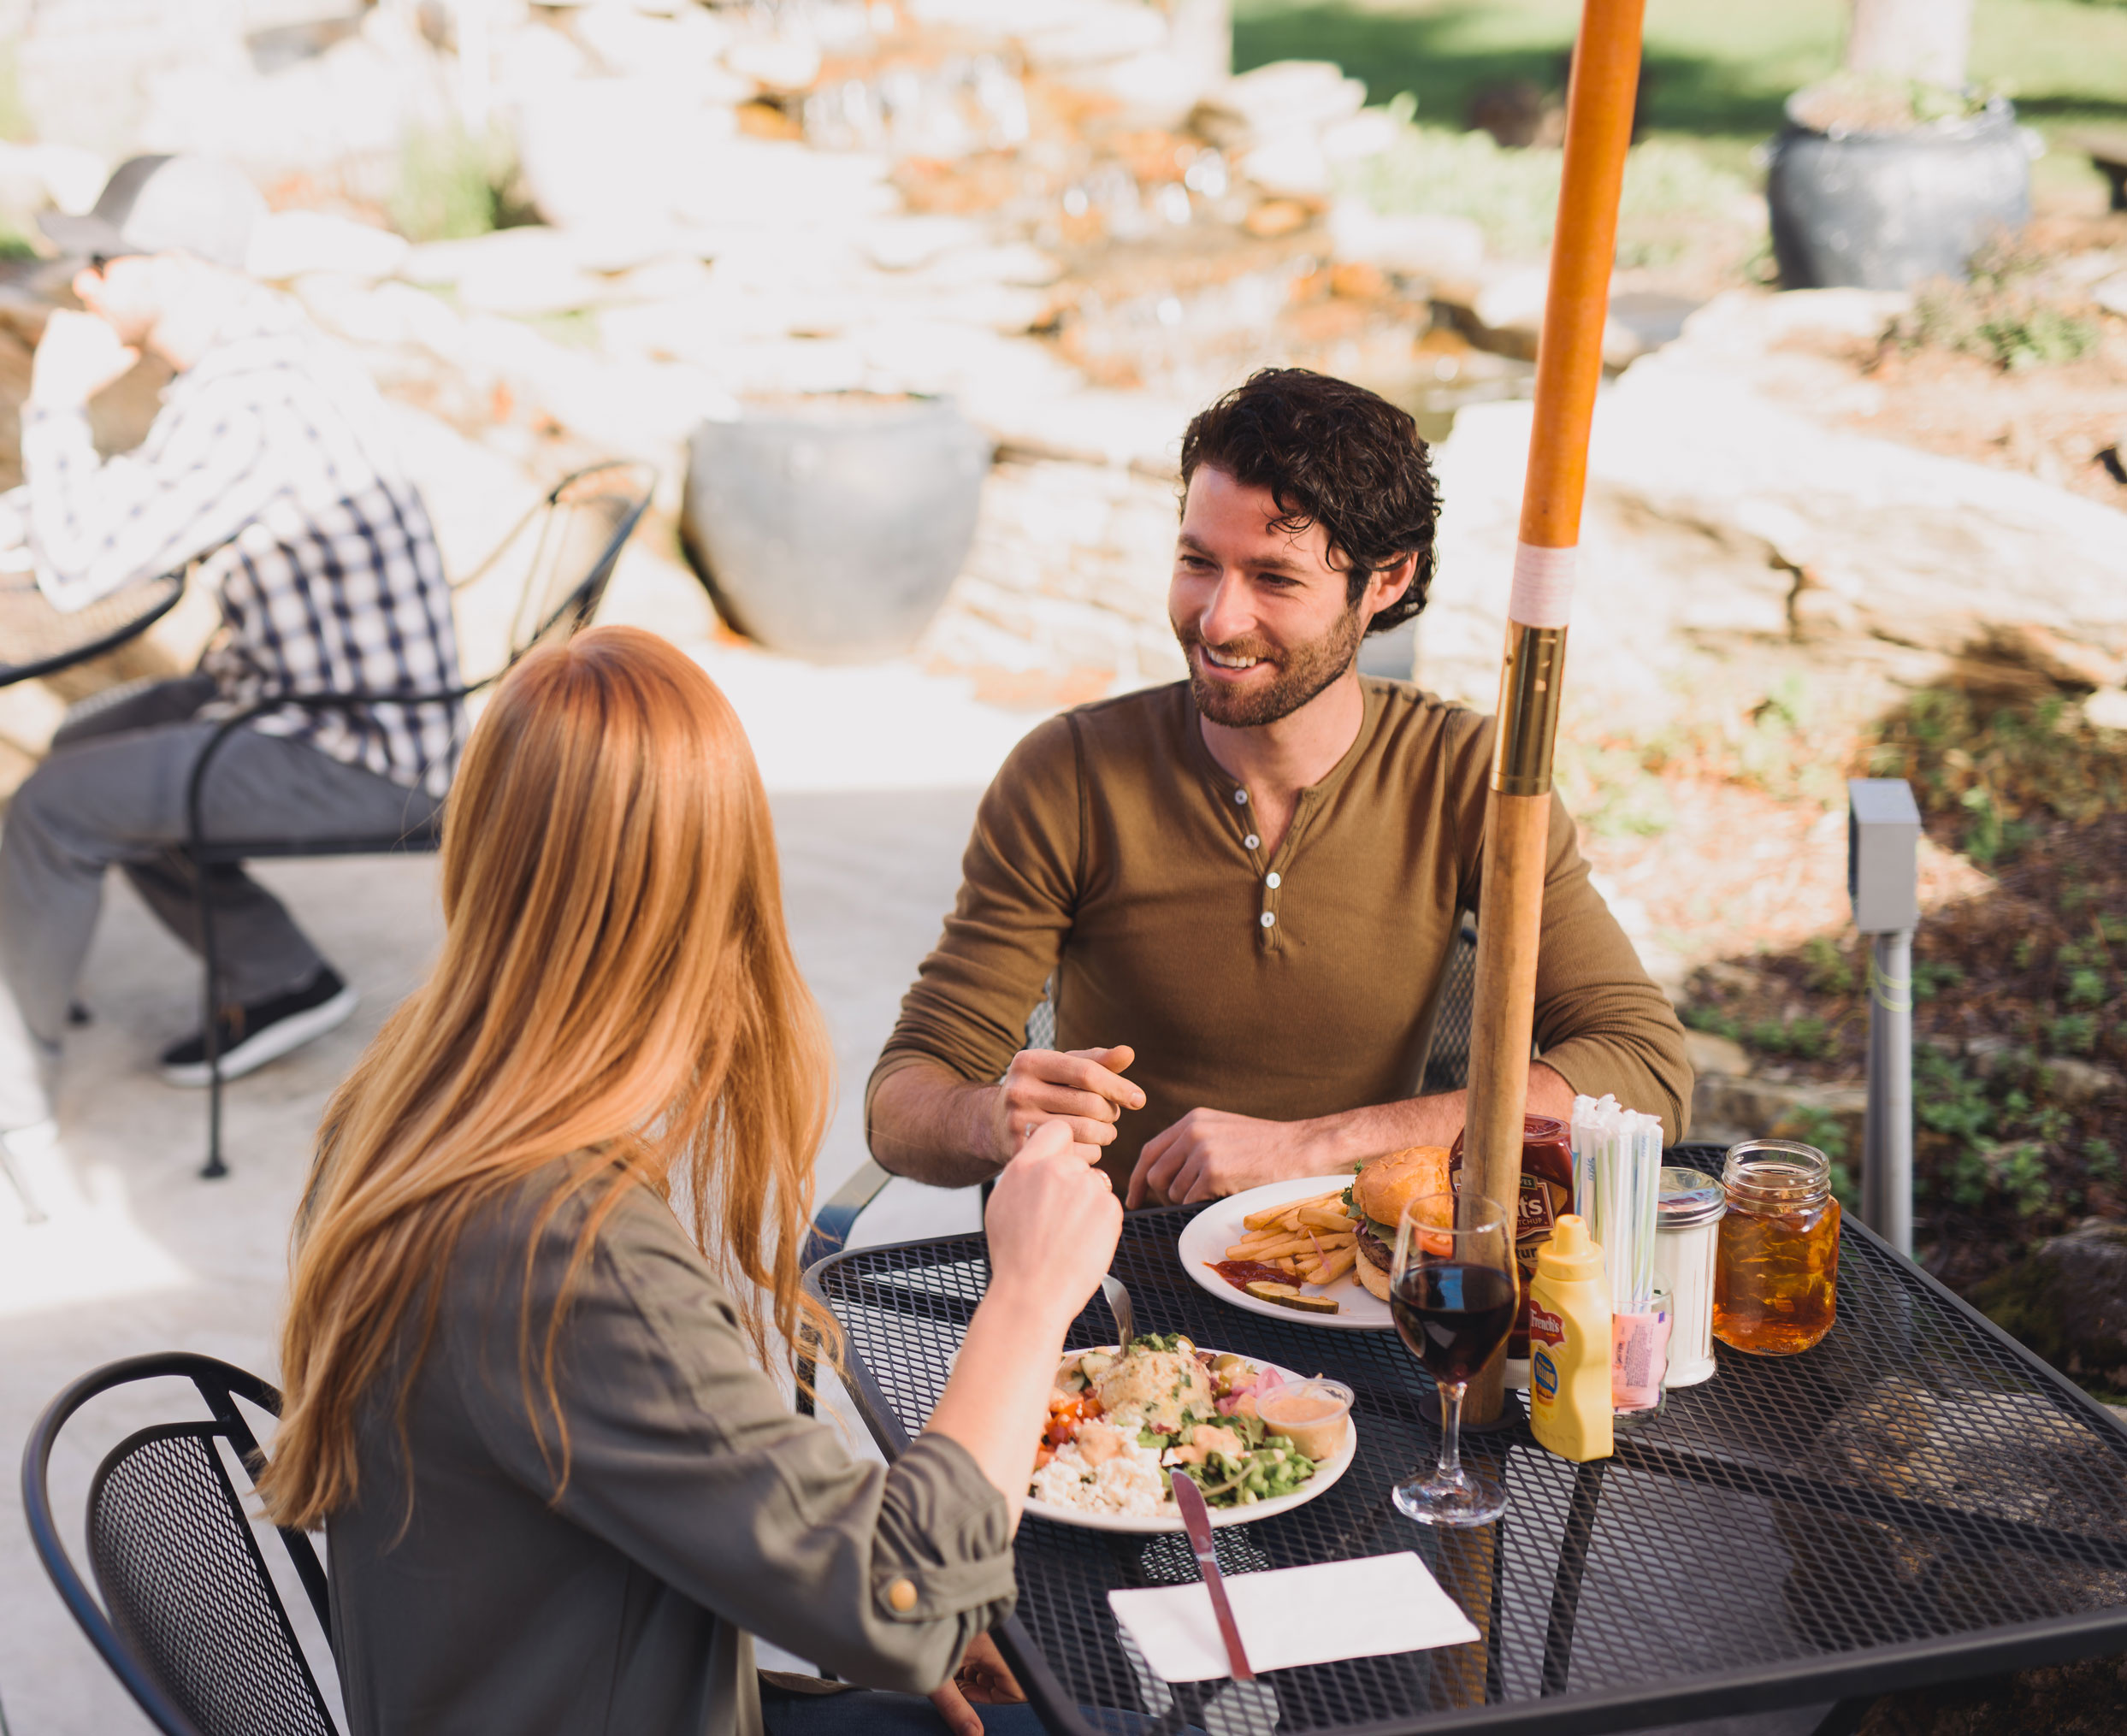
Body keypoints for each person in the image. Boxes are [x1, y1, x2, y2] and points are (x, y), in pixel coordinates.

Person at [262, 626, 1126, 1736]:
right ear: (711, 895)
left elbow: (713, 1518)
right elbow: (894, 1602)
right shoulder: (562, 1249)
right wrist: (1026, 1293)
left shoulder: (408, 1101)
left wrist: (885, 1611)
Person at [866, 368, 1693, 1208]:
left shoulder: (1468, 777)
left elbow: (1644, 1066)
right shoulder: (1070, 775)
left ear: (1387, 581)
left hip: (1368, 1286)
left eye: (1275, 577)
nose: (1218, 619)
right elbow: (900, 1103)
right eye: (1197, 561)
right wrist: (988, 1118)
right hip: (1114, 1294)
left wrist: (1321, 1147)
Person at [0, 155, 464, 1167]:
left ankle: (12, 1102)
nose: (81, 284)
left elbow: (81, 569)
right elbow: (121, 510)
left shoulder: (248, 397)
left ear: (175, 266)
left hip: (364, 751)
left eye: (102, 260)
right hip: (312, 700)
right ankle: (280, 975)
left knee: (54, 806)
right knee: (91, 739)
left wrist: (53, 405)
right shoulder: (254, 361)